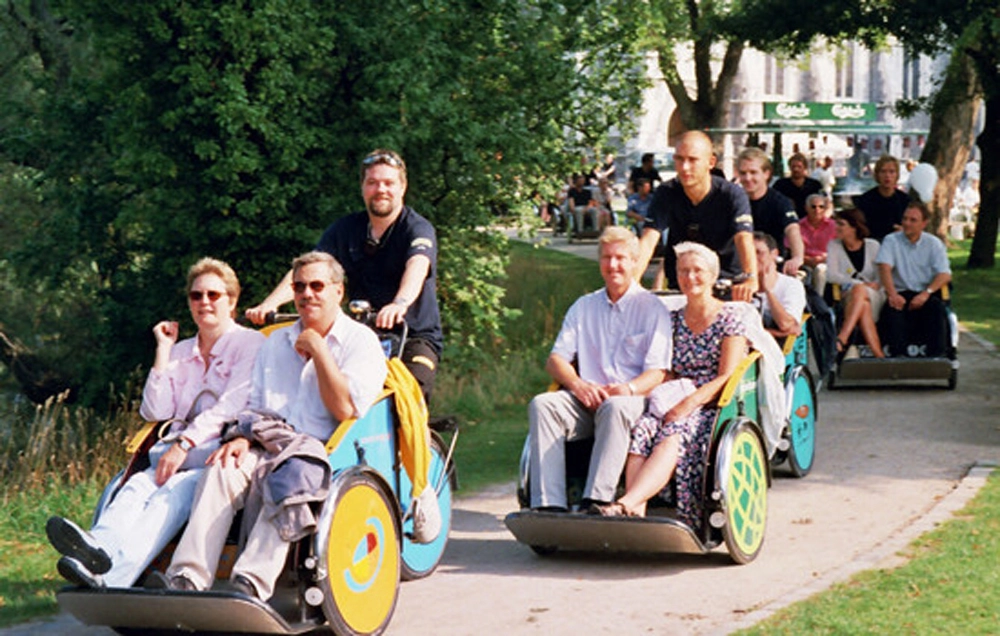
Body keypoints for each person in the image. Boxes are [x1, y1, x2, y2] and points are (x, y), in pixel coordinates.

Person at [152, 251, 388, 600]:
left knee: (291, 476)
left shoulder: (361, 342)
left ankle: (251, 582)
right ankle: (187, 577)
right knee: (222, 467)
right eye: (300, 287)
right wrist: (244, 438)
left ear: (338, 292)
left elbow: (344, 410)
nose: (307, 294)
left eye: (317, 286)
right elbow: (257, 406)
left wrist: (321, 352)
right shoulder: (275, 341)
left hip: (321, 448)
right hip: (266, 441)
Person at [45, 258, 265, 589]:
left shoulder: (250, 344)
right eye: (196, 296)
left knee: (170, 497)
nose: (204, 302)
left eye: (213, 295)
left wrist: (184, 444)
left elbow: (229, 405)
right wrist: (163, 351)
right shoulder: (181, 350)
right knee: (134, 489)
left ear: (232, 301)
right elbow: (154, 411)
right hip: (171, 452)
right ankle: (94, 552)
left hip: (214, 456)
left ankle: (115, 579)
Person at [246, 149, 441, 399]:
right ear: (363, 188)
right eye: (372, 183)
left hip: (412, 336)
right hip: (362, 337)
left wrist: (399, 304)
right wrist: (269, 304)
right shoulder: (347, 229)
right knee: (326, 392)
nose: (381, 189)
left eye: (388, 183)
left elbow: (417, 266)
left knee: (405, 400)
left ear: (402, 187)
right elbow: (308, 269)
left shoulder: (416, 228)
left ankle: (421, 438)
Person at [590, 242, 748, 525]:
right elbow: (663, 368)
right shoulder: (672, 320)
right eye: (684, 271)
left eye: (698, 271)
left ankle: (624, 504)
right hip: (675, 394)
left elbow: (726, 376)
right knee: (643, 427)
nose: (690, 278)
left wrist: (687, 404)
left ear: (712, 276)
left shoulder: (729, 318)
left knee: (674, 429)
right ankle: (637, 511)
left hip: (709, 403)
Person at [529, 227, 672, 512]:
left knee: (616, 407)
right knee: (543, 404)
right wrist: (579, 385)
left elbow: (658, 372)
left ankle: (596, 499)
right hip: (588, 398)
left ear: (634, 262)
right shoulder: (584, 306)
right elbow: (555, 360)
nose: (613, 265)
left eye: (620, 258)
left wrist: (627, 389)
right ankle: (548, 504)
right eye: (607, 257)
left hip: (632, 401)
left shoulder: (653, 308)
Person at [638, 131, 758, 301]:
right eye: (679, 159)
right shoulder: (666, 192)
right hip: (683, 283)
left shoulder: (731, 194)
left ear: (711, 162)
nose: (685, 167)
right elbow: (648, 240)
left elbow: (744, 238)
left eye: (693, 160)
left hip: (725, 284)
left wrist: (750, 278)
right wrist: (631, 282)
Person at [876, 203, 952, 358]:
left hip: (924, 292)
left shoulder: (933, 244)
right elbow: (884, 268)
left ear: (924, 223)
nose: (907, 223)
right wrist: (892, 294)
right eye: (905, 219)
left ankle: (938, 356)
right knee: (893, 311)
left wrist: (926, 293)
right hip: (899, 291)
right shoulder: (891, 241)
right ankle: (898, 355)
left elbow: (945, 274)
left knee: (937, 309)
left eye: (913, 220)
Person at [827, 208, 886, 358]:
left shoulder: (873, 246)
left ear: (854, 227)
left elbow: (882, 275)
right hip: (849, 296)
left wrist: (870, 285)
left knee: (862, 295)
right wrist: (856, 283)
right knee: (860, 298)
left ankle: (842, 337)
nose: (837, 228)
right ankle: (879, 356)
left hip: (875, 296)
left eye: (841, 224)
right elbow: (831, 275)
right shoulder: (834, 246)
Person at [737, 147, 805, 275]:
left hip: (771, 265)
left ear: (766, 174)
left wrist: (797, 257)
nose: (748, 178)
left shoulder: (780, 202)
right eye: (743, 173)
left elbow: (792, 230)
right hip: (740, 265)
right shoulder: (733, 200)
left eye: (753, 172)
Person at [752, 232, 806, 340]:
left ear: (774, 254)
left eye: (759, 252)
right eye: (748, 253)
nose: (753, 258)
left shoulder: (791, 285)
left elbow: (786, 325)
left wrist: (768, 291)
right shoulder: (738, 285)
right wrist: (776, 333)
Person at [854, 155, 910, 242]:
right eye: (883, 171)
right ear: (877, 174)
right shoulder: (865, 200)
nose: (887, 176)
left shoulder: (905, 201)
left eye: (891, 172)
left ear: (897, 175)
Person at [799, 193, 838, 295]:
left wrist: (825, 258)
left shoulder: (834, 226)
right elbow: (791, 251)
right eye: (813, 206)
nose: (817, 210)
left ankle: (818, 301)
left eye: (821, 207)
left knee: (820, 269)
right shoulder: (797, 226)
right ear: (806, 208)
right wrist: (808, 260)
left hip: (827, 263)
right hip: (804, 263)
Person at [773, 153, 824, 218]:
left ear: (805, 167)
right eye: (793, 166)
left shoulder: (815, 185)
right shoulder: (780, 184)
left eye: (799, 167)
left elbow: (825, 201)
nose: (796, 169)